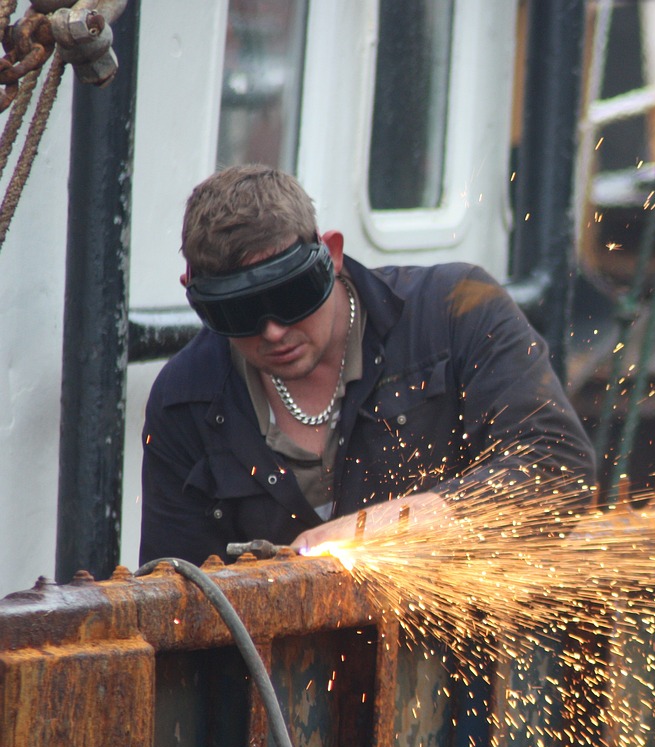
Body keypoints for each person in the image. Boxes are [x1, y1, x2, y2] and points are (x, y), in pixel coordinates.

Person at [140, 165, 596, 566]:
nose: (273, 331)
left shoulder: (458, 311)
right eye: (236, 314)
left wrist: (392, 526)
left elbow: (556, 465)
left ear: (331, 255)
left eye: (290, 298)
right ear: (192, 292)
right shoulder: (185, 399)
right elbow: (181, 594)